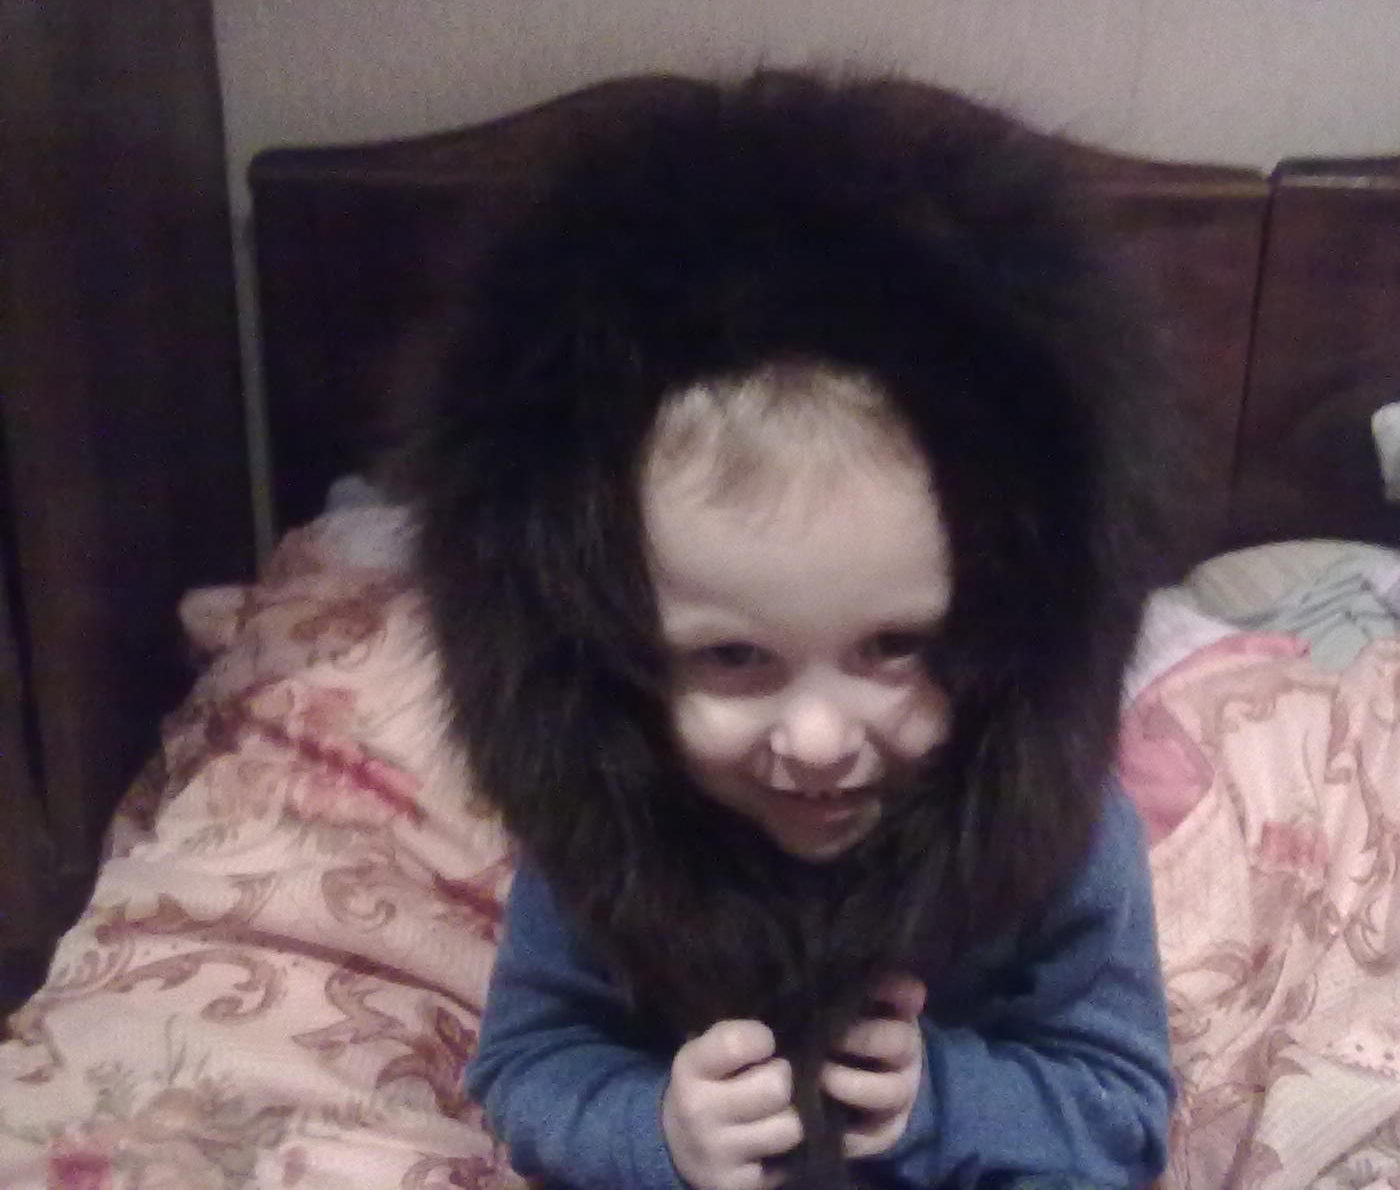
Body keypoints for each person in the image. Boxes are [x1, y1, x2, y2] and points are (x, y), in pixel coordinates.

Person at [398, 70, 1181, 1190]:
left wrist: (940, 1101)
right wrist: (656, 1133)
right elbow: (530, 1066)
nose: (815, 741)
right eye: (732, 658)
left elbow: (1121, 1111)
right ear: (606, 655)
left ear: (1014, 629)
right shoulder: (601, 824)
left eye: (896, 648)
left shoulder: (1067, 835)